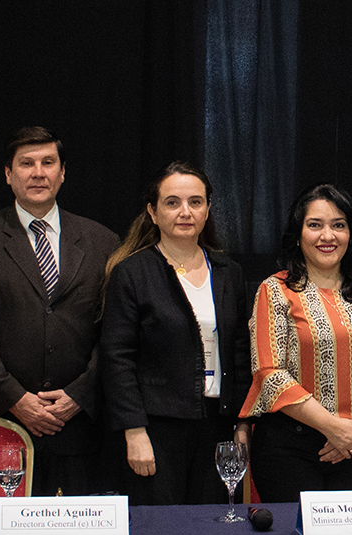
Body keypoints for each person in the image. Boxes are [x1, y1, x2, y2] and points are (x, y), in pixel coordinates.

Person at [0, 126, 120, 496]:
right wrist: (16, 399)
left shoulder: (103, 241)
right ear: (9, 175)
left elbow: (116, 333)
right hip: (1, 425)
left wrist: (79, 395)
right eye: (26, 163)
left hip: (80, 429)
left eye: (48, 162)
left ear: (62, 172)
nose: (38, 172)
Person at [239, 183, 352, 502]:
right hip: (289, 450)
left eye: (338, 225)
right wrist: (334, 428)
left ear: (351, 234)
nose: (327, 236)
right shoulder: (274, 291)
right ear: (298, 234)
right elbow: (269, 374)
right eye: (315, 225)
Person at [98, 162, 251, 505]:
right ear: (152, 212)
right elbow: (116, 358)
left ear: (208, 209)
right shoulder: (132, 273)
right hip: (156, 429)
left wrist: (243, 424)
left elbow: (241, 350)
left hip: (218, 427)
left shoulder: (228, 272)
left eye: (196, 202)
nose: (186, 212)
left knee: (211, 531)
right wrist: (134, 431)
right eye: (172, 203)